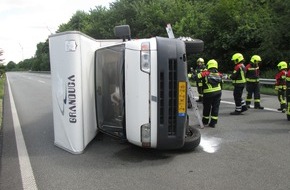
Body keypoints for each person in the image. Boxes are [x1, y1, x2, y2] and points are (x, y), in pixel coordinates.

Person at [197, 59, 222, 128]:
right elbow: (221, 84)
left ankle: (205, 122)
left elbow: (197, 77)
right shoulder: (219, 74)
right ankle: (213, 123)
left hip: (208, 93)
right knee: (215, 107)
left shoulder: (205, 73)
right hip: (218, 92)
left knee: (207, 108)